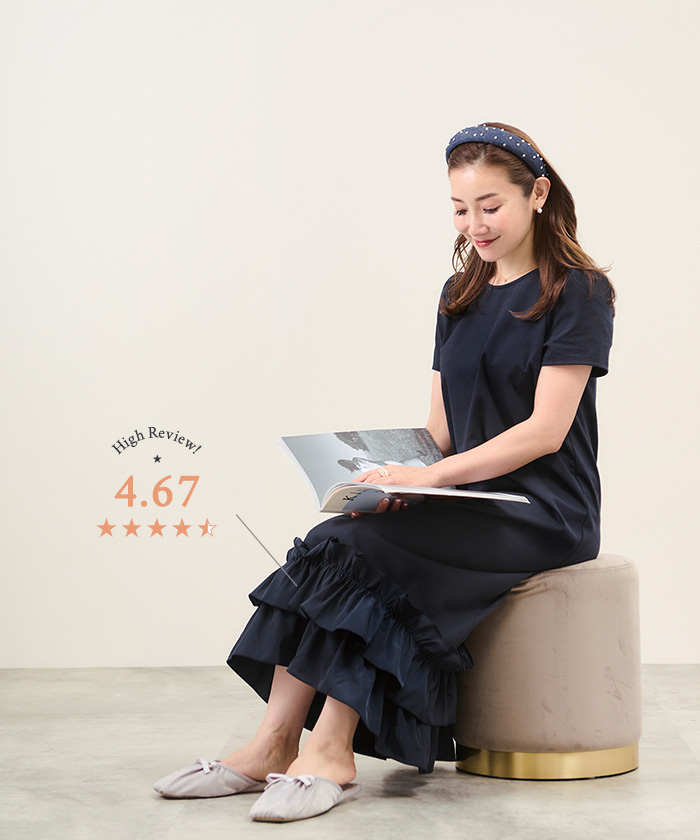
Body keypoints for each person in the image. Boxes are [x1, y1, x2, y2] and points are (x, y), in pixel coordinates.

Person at [153, 122, 615, 822]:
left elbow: (543, 432)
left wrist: (435, 480)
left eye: (491, 205)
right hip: (464, 495)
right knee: (335, 538)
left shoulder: (577, 292)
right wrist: (397, 477)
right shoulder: (459, 293)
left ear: (539, 194)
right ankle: (273, 742)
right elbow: (441, 429)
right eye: (460, 209)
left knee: (365, 556)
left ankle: (331, 752)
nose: (475, 224)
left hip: (542, 509)